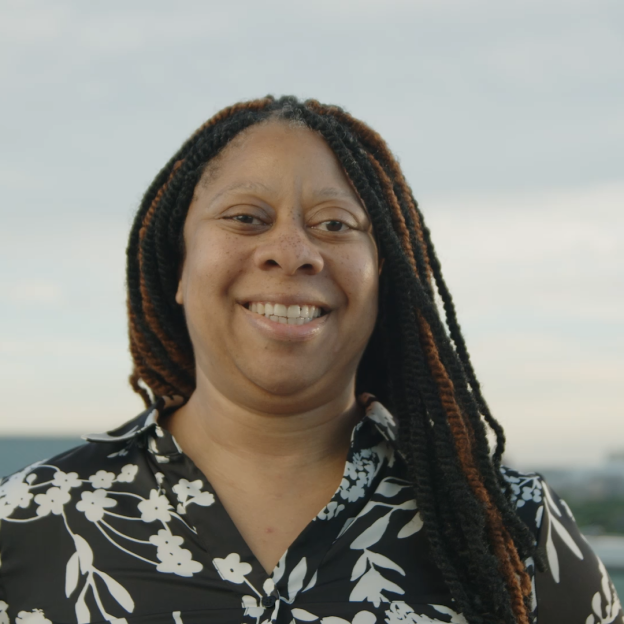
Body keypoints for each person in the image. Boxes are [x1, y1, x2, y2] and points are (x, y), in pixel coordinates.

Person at [0, 96, 620, 624]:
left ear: (387, 280)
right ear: (177, 269)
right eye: (246, 218)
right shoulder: (30, 519)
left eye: (335, 224)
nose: (292, 251)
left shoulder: (514, 527)